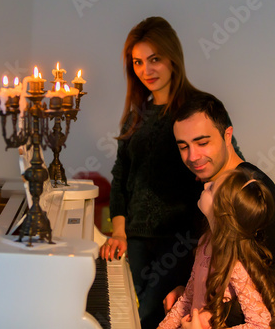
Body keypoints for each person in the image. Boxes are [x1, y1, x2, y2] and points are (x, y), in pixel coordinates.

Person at [98, 16, 243, 329]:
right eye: (137, 62)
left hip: (181, 239)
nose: (145, 70)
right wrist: (119, 230)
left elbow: (230, 166)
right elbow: (121, 177)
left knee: (156, 314)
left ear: (172, 59)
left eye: (154, 60)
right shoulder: (136, 116)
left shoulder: (200, 107)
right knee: (127, 314)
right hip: (134, 238)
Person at [163, 92, 275, 326]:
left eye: (202, 142)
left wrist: (220, 313)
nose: (193, 156)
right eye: (183, 146)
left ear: (227, 135)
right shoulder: (205, 186)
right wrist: (190, 291)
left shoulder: (253, 188)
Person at [159, 167, 275, 329]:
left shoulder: (236, 264)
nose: (206, 185)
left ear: (223, 211)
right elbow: (189, 296)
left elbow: (261, 324)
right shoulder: (205, 242)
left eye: (213, 188)